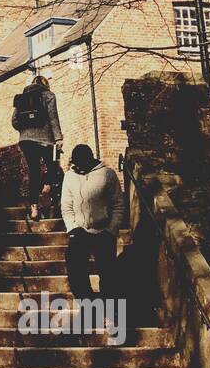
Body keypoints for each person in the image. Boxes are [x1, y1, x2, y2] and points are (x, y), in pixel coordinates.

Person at [60, 143, 126, 302]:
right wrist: (73, 229)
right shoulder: (69, 177)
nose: (79, 167)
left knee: (108, 274)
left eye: (82, 163)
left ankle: (111, 311)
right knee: (75, 271)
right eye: (76, 163)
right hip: (79, 232)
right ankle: (87, 305)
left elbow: (118, 204)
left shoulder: (107, 174)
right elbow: (66, 206)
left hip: (103, 231)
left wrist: (112, 230)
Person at [12, 72, 62, 220]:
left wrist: (25, 130)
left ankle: (34, 207)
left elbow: (14, 121)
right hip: (45, 139)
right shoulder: (48, 95)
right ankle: (46, 187)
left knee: (34, 171)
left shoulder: (22, 98)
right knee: (53, 166)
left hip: (26, 140)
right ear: (46, 84)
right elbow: (53, 117)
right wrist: (58, 137)